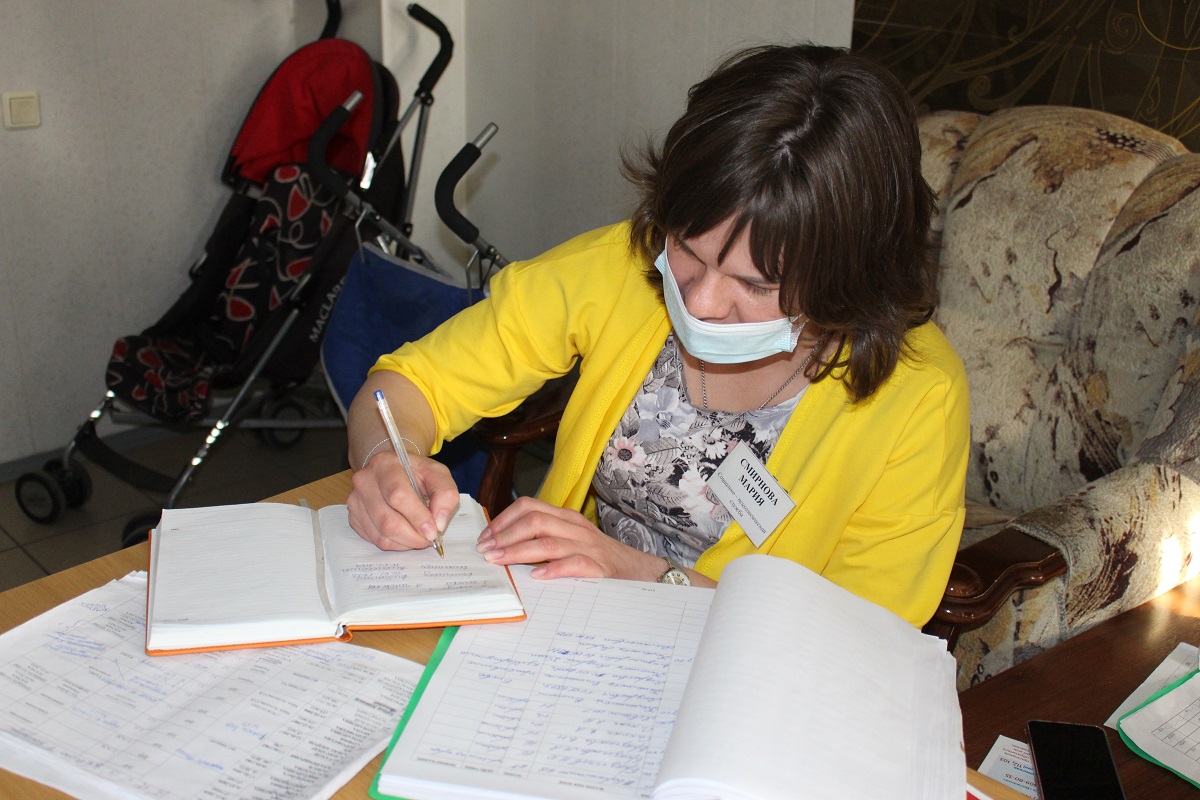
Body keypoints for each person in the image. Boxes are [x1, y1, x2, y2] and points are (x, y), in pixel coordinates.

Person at [344, 43, 970, 628]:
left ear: (849, 276)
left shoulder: (917, 398)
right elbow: (410, 384)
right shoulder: (625, 267)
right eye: (688, 249)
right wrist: (385, 461)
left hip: (750, 669)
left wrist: (646, 575)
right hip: (571, 622)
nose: (699, 301)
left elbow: (863, 635)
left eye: (755, 285)